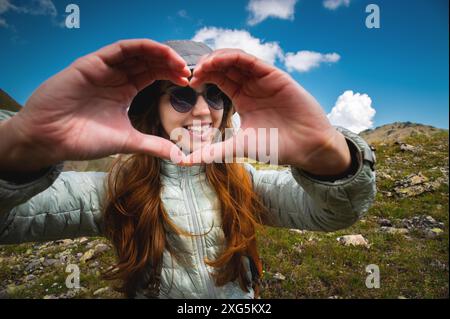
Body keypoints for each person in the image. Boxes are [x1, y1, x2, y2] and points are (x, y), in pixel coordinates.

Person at [0, 39, 376, 299]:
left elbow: (333, 213)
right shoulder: (113, 189)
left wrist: (328, 155)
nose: (202, 111)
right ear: (154, 110)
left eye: (214, 94)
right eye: (181, 96)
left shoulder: (245, 181)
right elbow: (10, 222)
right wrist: (17, 150)